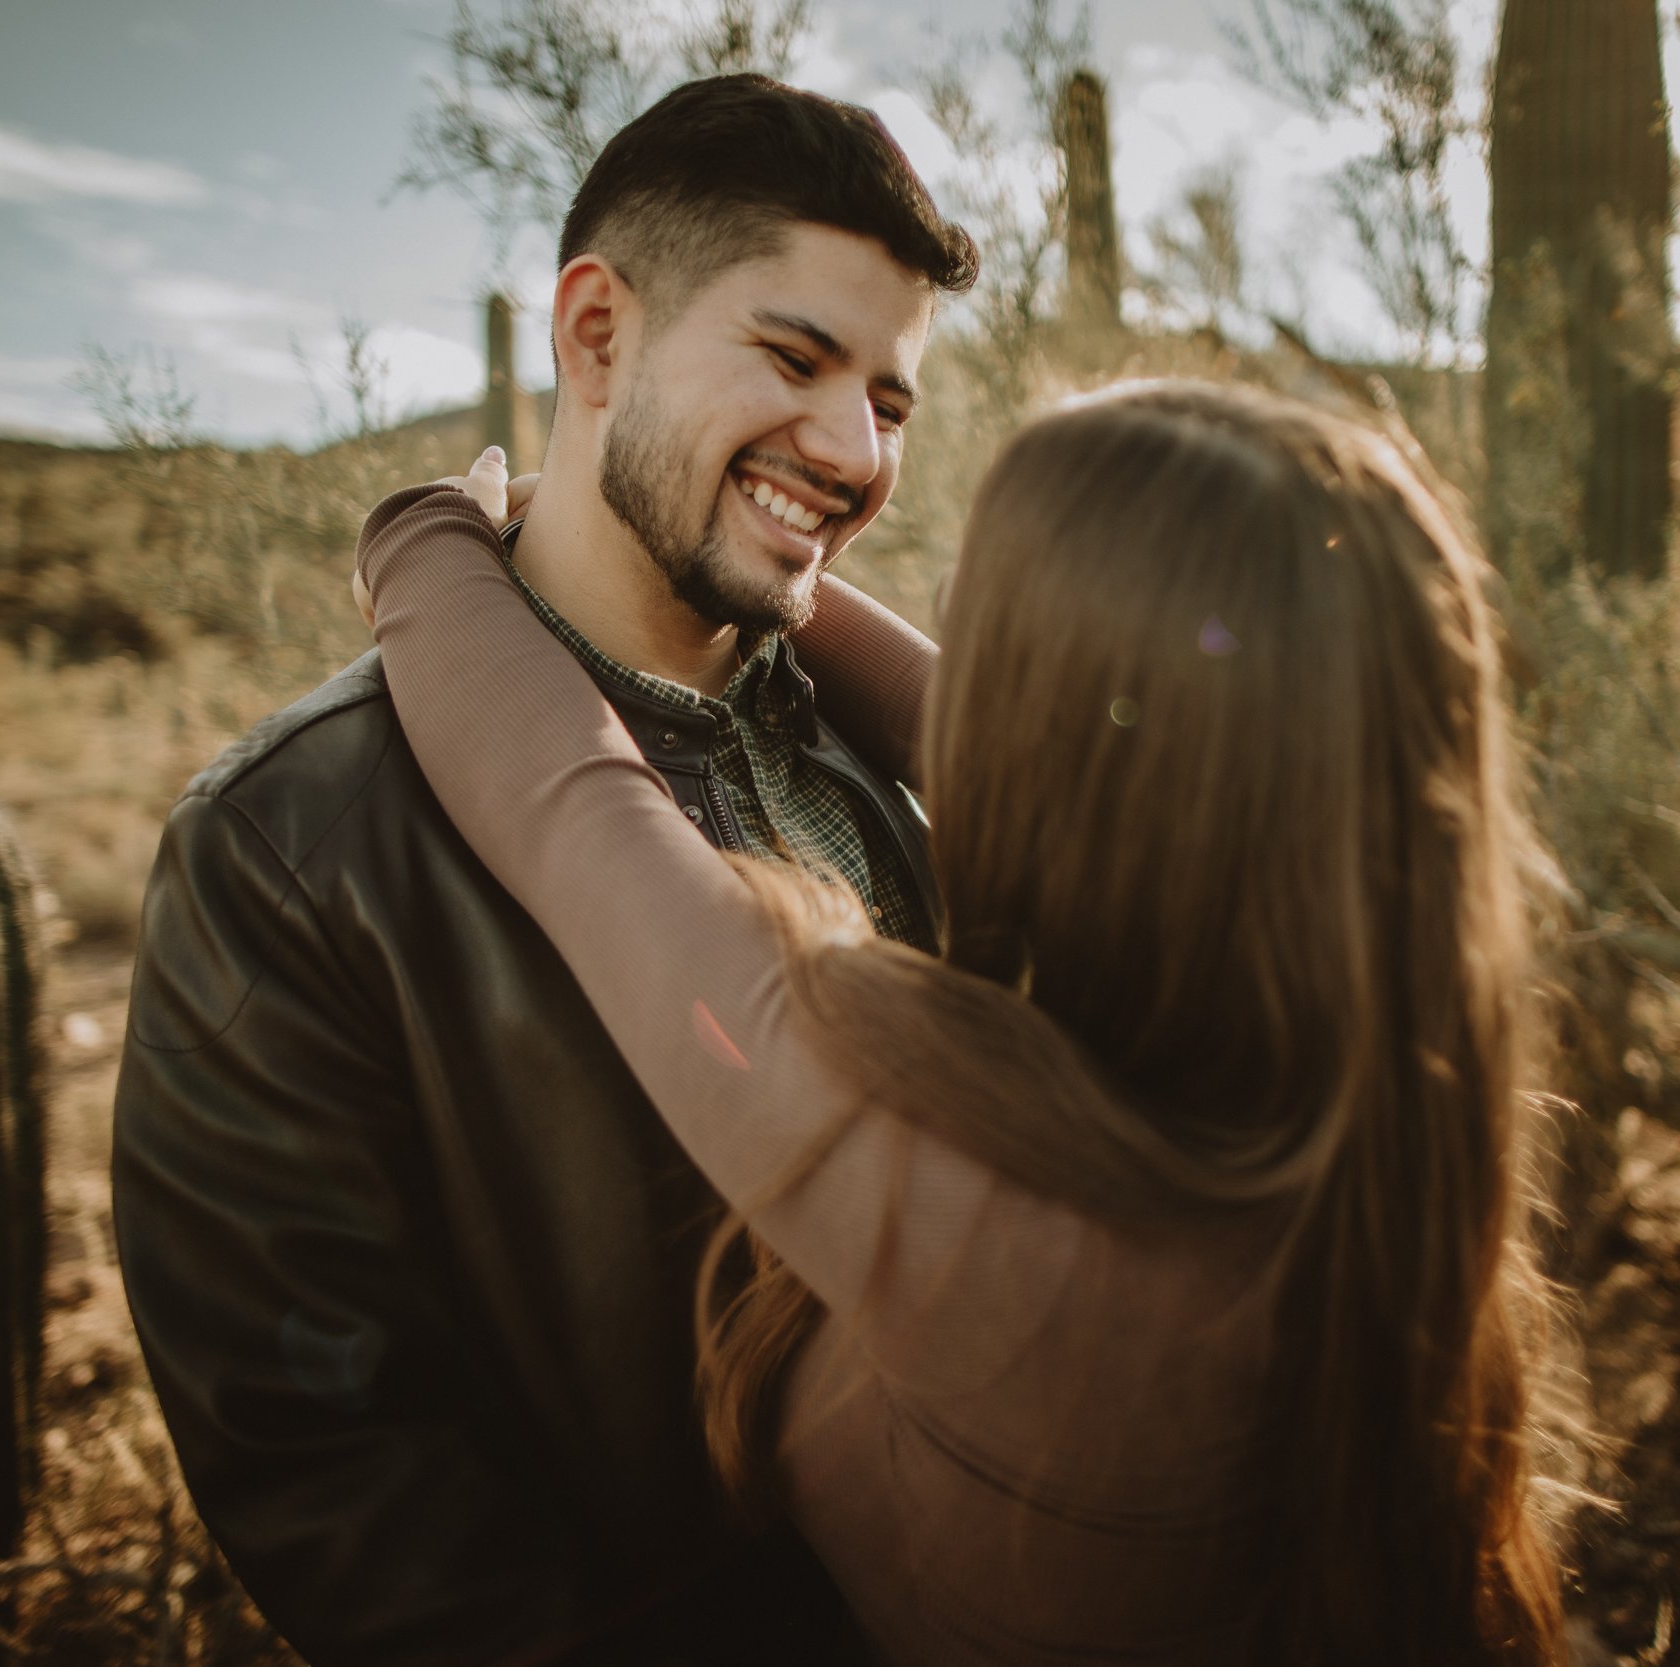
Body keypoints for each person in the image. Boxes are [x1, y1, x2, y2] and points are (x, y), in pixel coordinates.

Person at [356, 380, 1581, 1665]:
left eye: (968, 620)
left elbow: (571, 806)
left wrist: (423, 529)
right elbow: (1082, 749)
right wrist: (740, 565)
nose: (942, 640)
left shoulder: (972, 1198)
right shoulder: (1380, 1103)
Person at [111, 74, 974, 1665]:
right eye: (794, 359)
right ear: (594, 337)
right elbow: (339, 1473)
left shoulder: (903, 780)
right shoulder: (289, 851)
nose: (852, 449)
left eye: (893, 400)